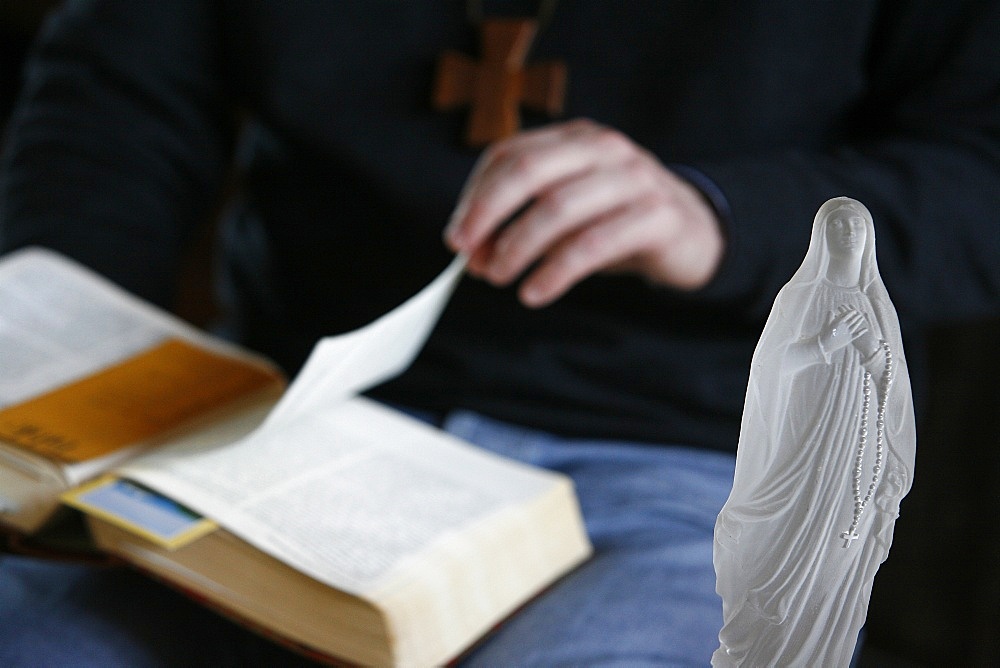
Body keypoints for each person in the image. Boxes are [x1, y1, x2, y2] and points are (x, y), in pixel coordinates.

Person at [1, 1, 998, 665]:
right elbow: (116, 100)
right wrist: (67, 333)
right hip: (283, 423)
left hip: (696, 452)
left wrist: (723, 219)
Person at [712, 197, 916, 665]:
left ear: (869, 240)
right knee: (772, 564)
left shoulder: (878, 310)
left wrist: (869, 347)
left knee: (834, 569)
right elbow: (772, 368)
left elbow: (895, 388)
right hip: (799, 454)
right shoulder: (800, 298)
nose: (847, 233)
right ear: (821, 235)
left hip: (852, 462)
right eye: (838, 224)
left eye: (856, 226)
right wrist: (827, 343)